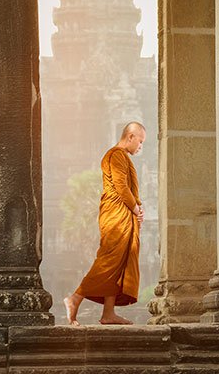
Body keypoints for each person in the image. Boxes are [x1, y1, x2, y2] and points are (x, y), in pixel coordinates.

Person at [64, 122, 146, 325]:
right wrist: (136, 210)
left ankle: (108, 313)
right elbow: (121, 187)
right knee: (109, 259)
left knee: (118, 262)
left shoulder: (122, 157)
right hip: (116, 216)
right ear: (131, 136)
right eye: (140, 141)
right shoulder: (116, 155)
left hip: (122, 213)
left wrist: (136, 210)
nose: (140, 146)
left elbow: (127, 191)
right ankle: (75, 298)